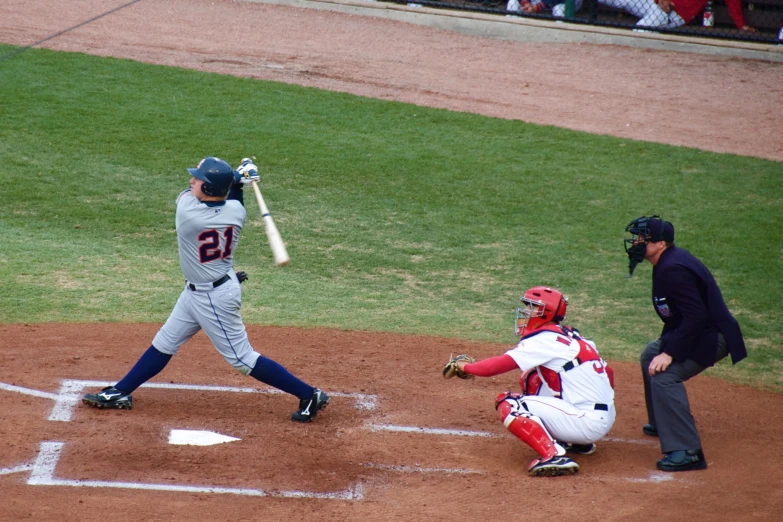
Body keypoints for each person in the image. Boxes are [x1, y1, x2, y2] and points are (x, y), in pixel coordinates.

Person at [82, 157, 329, 423]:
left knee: (242, 359)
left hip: (213, 298)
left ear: (208, 190)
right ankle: (121, 392)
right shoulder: (236, 211)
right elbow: (232, 193)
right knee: (165, 341)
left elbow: (223, 188)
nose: (192, 181)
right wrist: (240, 177)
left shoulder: (188, 213)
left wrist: (238, 174)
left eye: (198, 179)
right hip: (208, 286)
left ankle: (309, 394)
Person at [443, 286, 615, 477]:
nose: (526, 312)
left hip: (586, 422)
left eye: (532, 307)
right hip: (600, 416)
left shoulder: (544, 340)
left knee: (509, 402)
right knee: (532, 378)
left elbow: (495, 367)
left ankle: (554, 455)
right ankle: (577, 441)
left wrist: (465, 367)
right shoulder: (573, 337)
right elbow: (609, 373)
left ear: (546, 313)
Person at [624, 215, 746, 471]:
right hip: (698, 331)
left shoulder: (673, 269)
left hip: (712, 337)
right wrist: (664, 349)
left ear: (660, 243)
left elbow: (696, 316)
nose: (635, 243)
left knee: (664, 375)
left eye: (642, 238)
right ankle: (662, 422)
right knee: (650, 354)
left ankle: (687, 451)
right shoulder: (667, 261)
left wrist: (669, 353)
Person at [598, 0, 757, 32]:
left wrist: (741, 25)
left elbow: (733, 2)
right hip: (651, 2)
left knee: (640, 32)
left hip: (672, 14)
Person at [507, 0, 583, 18]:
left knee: (559, 9)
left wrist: (537, 7)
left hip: (564, 3)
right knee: (512, 2)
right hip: (537, 2)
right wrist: (525, 2)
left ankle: (560, 39)